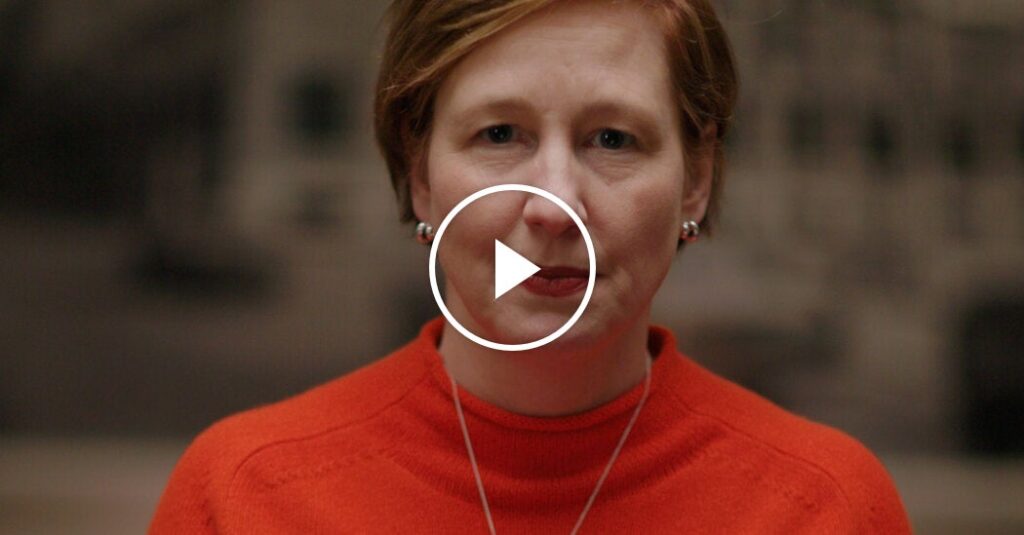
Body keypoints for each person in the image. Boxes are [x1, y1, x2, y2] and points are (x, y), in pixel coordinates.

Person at [149, 0, 912, 533]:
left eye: (612, 139)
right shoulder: (245, 495)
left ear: (697, 177)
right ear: (420, 172)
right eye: (499, 134)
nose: (555, 206)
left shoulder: (828, 507)